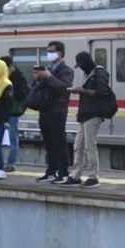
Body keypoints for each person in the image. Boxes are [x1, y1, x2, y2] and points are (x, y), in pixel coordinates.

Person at [60, 52, 110, 189]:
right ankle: (75, 175)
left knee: (89, 146)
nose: (81, 68)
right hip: (84, 114)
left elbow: (101, 92)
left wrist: (81, 90)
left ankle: (93, 176)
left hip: (94, 114)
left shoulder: (99, 73)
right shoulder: (89, 73)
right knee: (78, 146)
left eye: (81, 65)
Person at [32, 41, 74, 183]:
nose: (49, 54)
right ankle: (51, 171)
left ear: (60, 52)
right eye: (48, 51)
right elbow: (39, 89)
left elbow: (64, 87)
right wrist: (37, 79)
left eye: (52, 51)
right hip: (44, 110)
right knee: (49, 142)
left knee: (59, 141)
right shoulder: (48, 69)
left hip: (58, 111)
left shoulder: (66, 70)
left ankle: (64, 172)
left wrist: (49, 76)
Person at [1, 55, 29, 172]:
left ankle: (11, 163)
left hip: (12, 112)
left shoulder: (18, 78)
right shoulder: (2, 77)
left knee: (12, 138)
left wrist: (10, 93)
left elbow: (21, 94)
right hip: (3, 111)